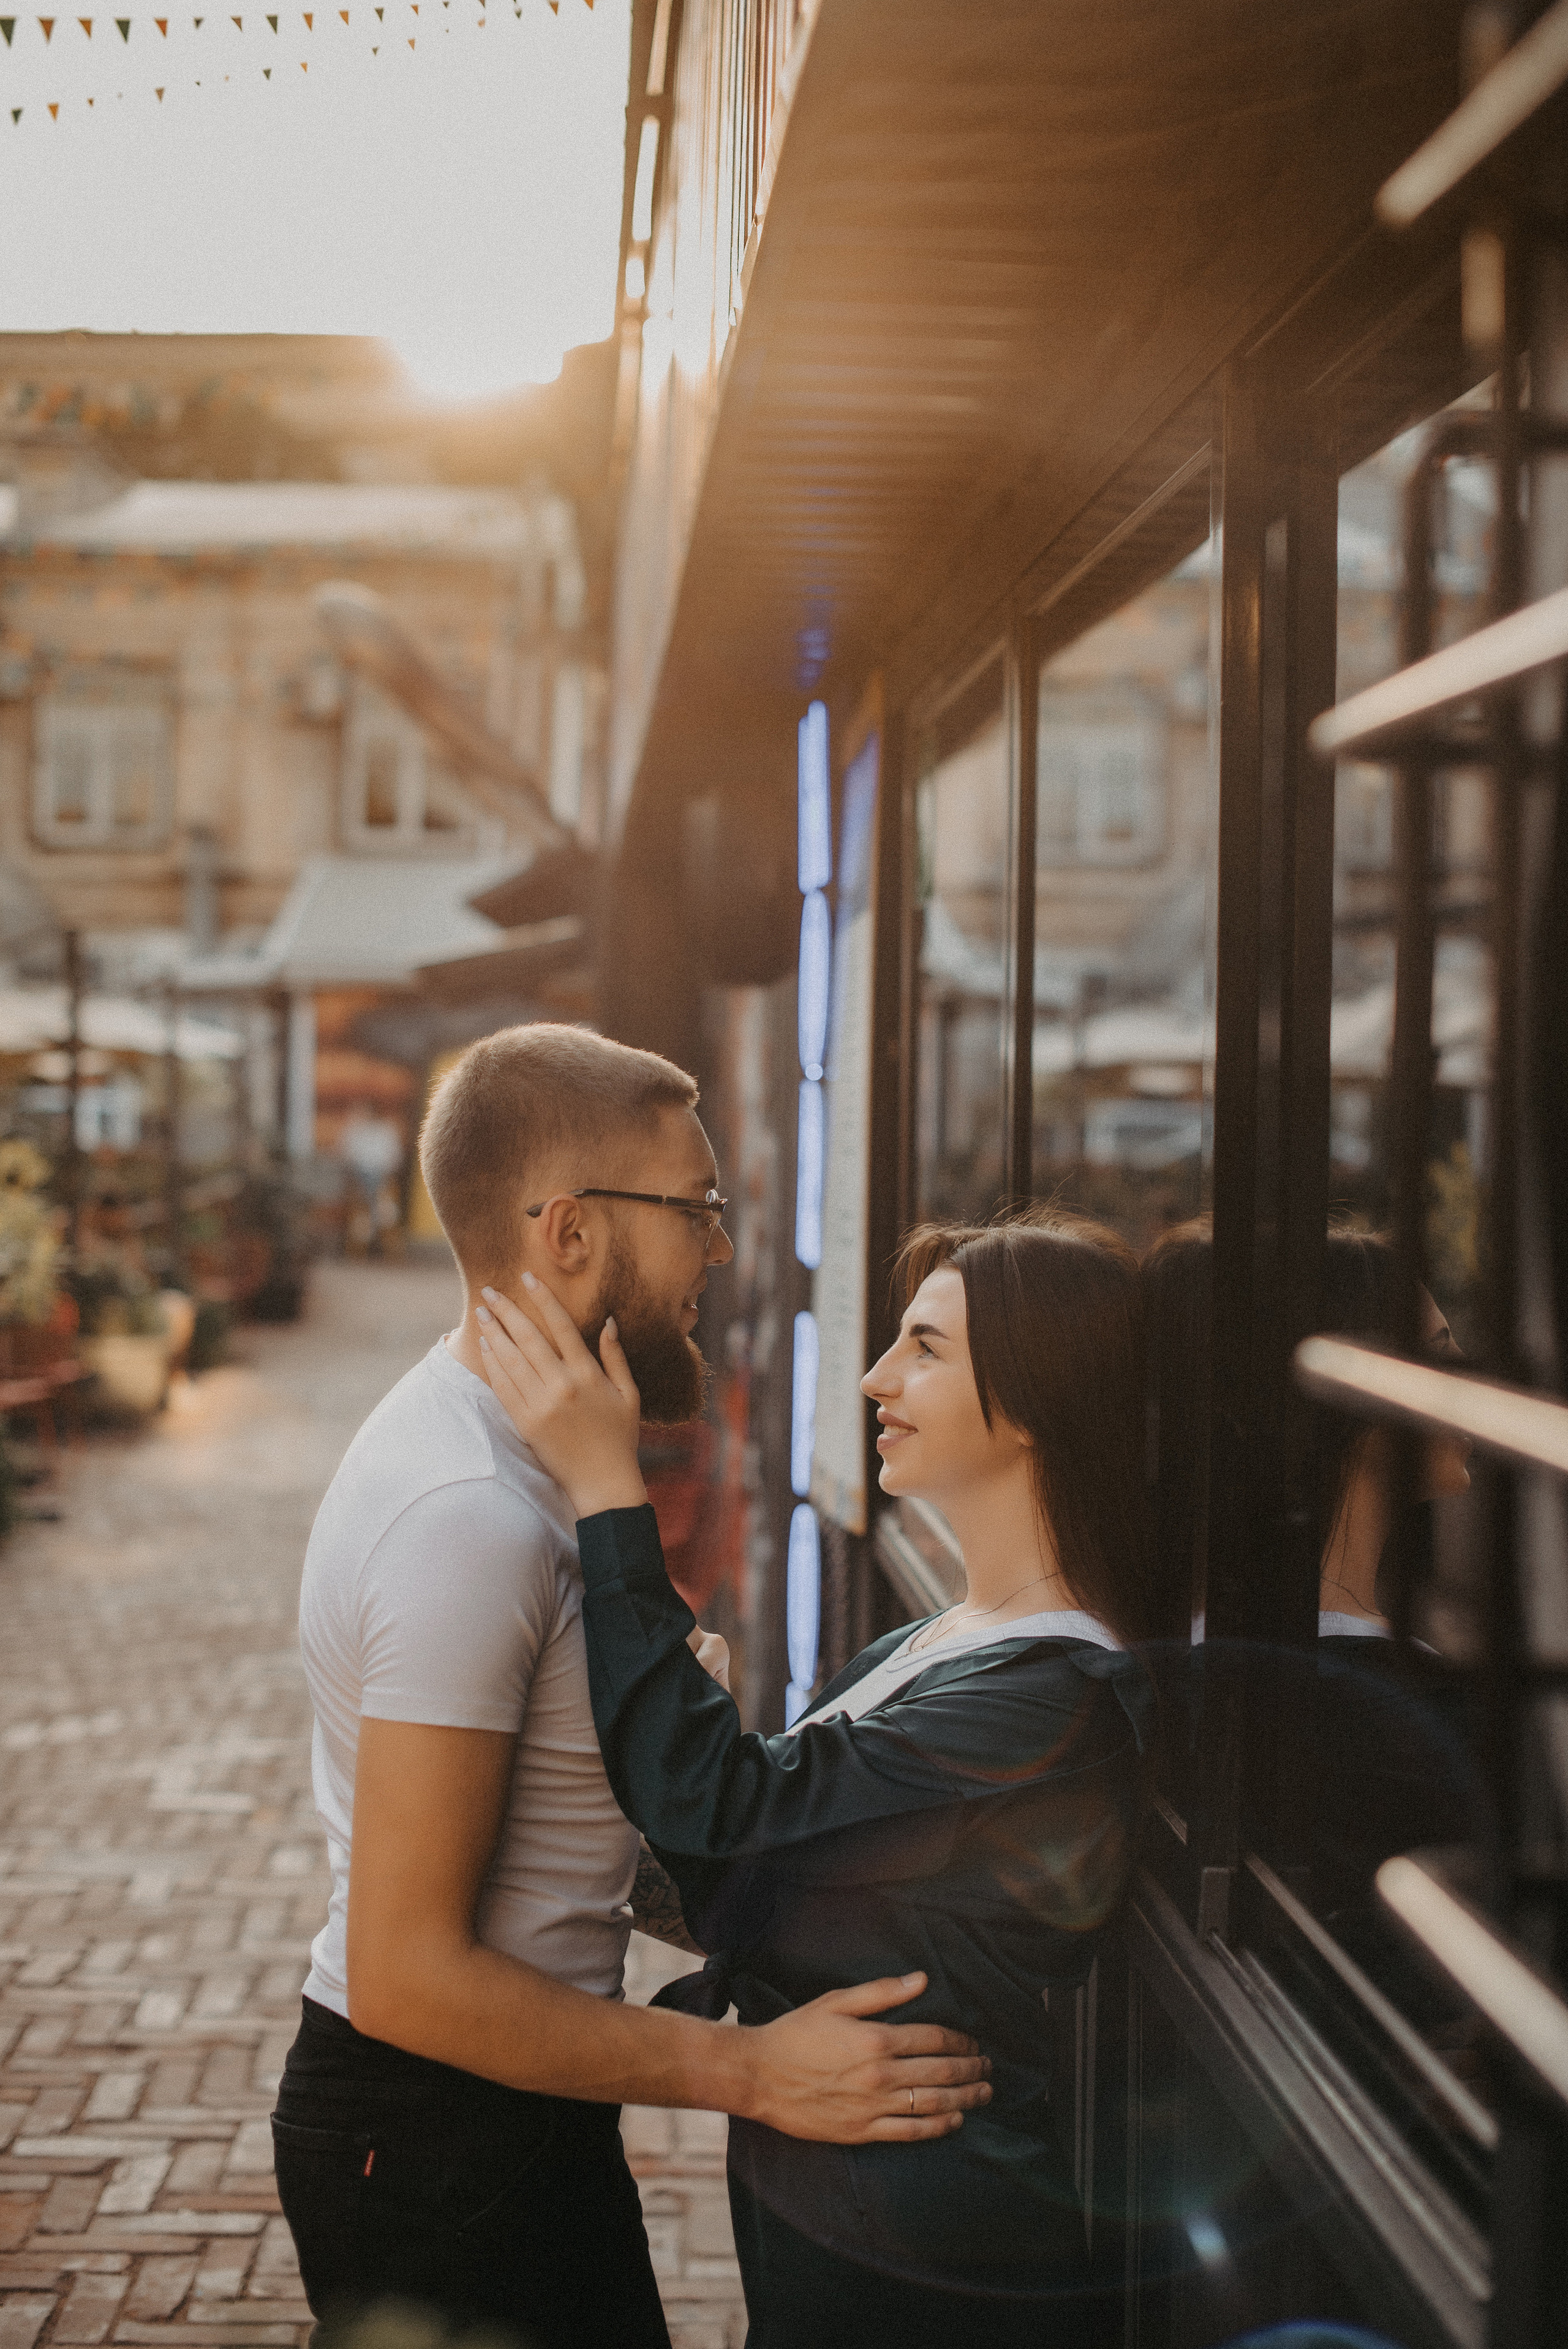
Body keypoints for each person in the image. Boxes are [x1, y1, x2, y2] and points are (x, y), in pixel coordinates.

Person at [270, 1024, 990, 2349]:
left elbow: (556, 1857)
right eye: (698, 1211)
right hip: (432, 2135)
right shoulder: (467, 1514)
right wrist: (754, 2074)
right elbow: (405, 1975)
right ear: (569, 1235)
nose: (721, 1250)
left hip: (504, 2112)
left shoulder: (530, 1461)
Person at [477, 1208, 1157, 2348]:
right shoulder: (956, 1637)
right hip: (844, 2225)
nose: (878, 1375)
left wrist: (608, 1487)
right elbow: (767, 1871)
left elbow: (731, 1819)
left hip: (925, 2263)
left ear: (1041, 1398)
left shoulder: (1054, 1695)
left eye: (926, 1349)